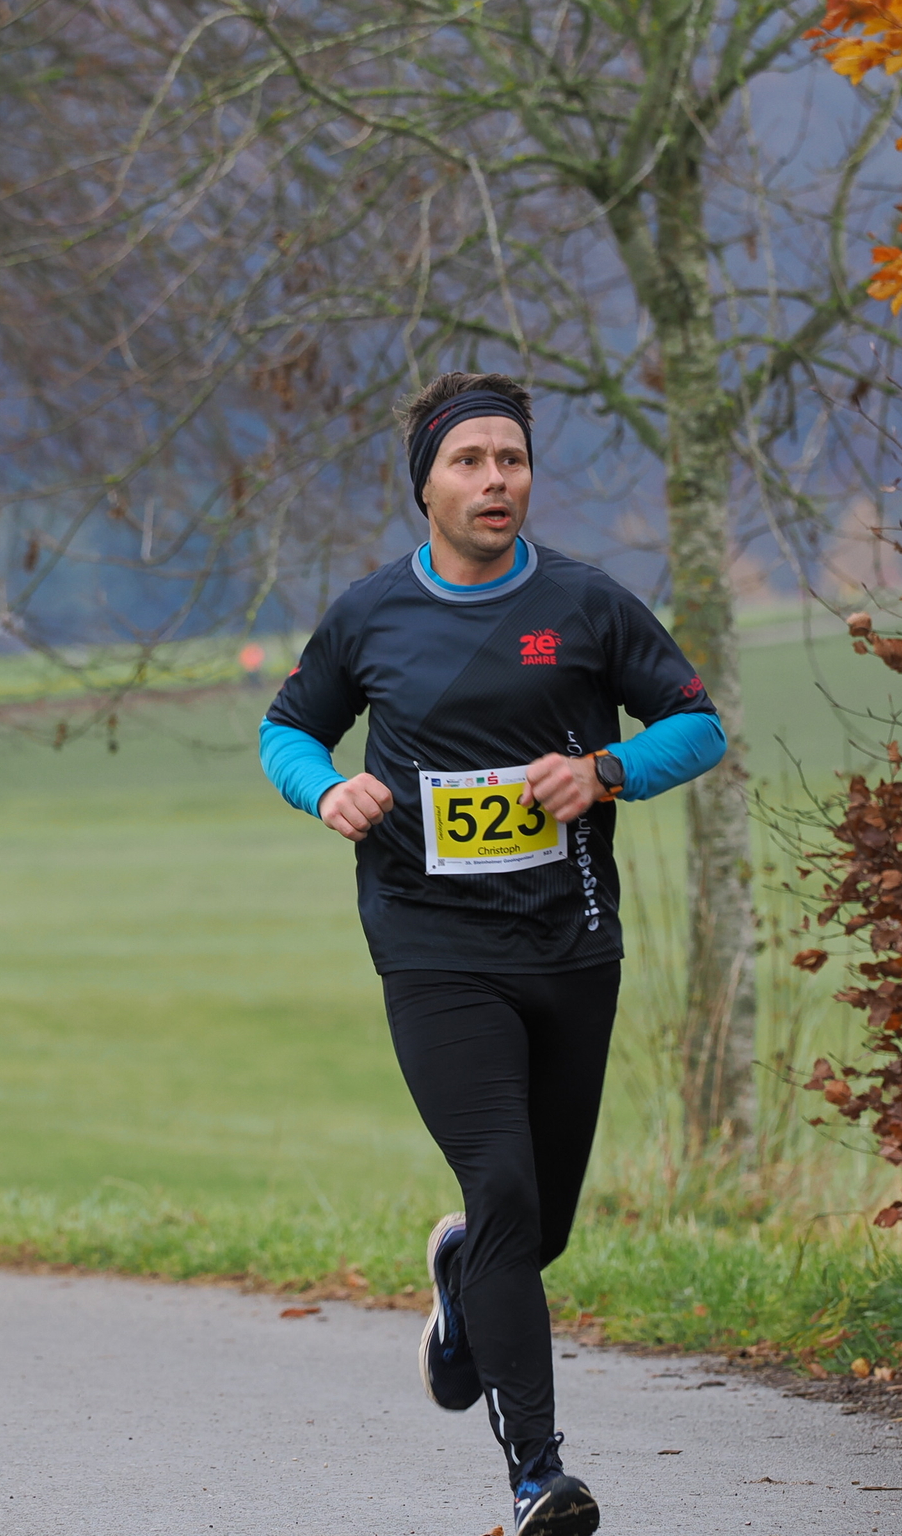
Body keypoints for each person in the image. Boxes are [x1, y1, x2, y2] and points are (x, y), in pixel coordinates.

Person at [257, 372, 726, 1536]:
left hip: (569, 942)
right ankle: (537, 1478)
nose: (493, 480)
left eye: (509, 459)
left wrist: (608, 770)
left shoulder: (584, 604)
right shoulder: (370, 615)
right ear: (424, 484)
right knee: (505, 1189)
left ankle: (463, 1278)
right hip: (431, 947)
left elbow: (697, 724)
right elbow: (287, 730)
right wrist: (326, 791)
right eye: (467, 461)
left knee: (536, 1226)